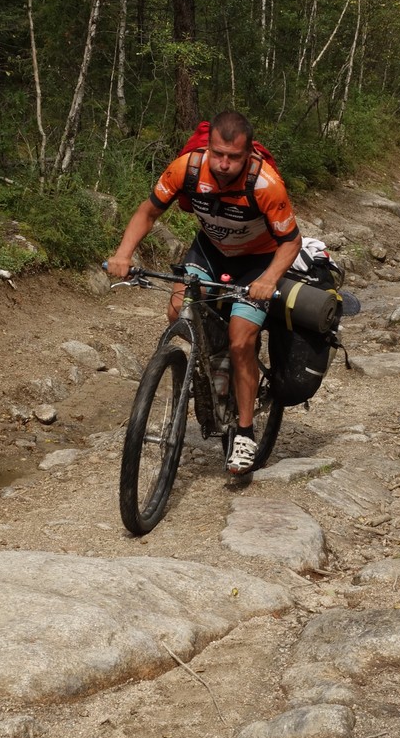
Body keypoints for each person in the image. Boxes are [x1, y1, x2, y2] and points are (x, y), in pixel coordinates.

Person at [106, 110, 302, 474]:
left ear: (248, 155)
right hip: (209, 251)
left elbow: (291, 241)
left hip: (257, 261)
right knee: (177, 309)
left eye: (234, 157)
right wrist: (123, 254)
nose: (224, 164)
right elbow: (148, 213)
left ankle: (244, 432)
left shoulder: (266, 184)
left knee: (242, 340)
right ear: (208, 147)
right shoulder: (186, 168)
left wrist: (270, 278)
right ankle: (207, 364)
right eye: (217, 154)